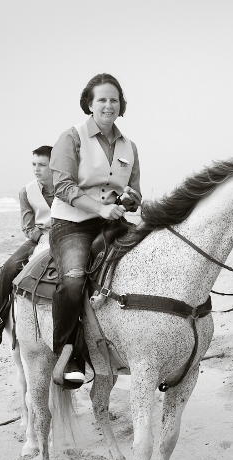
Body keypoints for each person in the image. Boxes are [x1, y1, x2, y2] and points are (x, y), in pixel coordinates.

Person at [49, 73, 141, 387]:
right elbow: (62, 186)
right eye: (101, 99)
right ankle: (67, 356)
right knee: (73, 279)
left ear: (121, 105)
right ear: (89, 103)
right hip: (72, 225)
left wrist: (130, 199)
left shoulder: (130, 147)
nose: (108, 105)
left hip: (112, 223)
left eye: (114, 99)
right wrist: (100, 207)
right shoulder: (71, 138)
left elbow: (134, 191)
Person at [0, 146, 55, 347]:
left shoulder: (67, 186)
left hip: (65, 236)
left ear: (54, 164)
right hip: (38, 237)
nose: (36, 169)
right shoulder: (26, 192)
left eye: (42, 164)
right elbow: (28, 226)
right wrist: (40, 237)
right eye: (34, 164)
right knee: (9, 267)